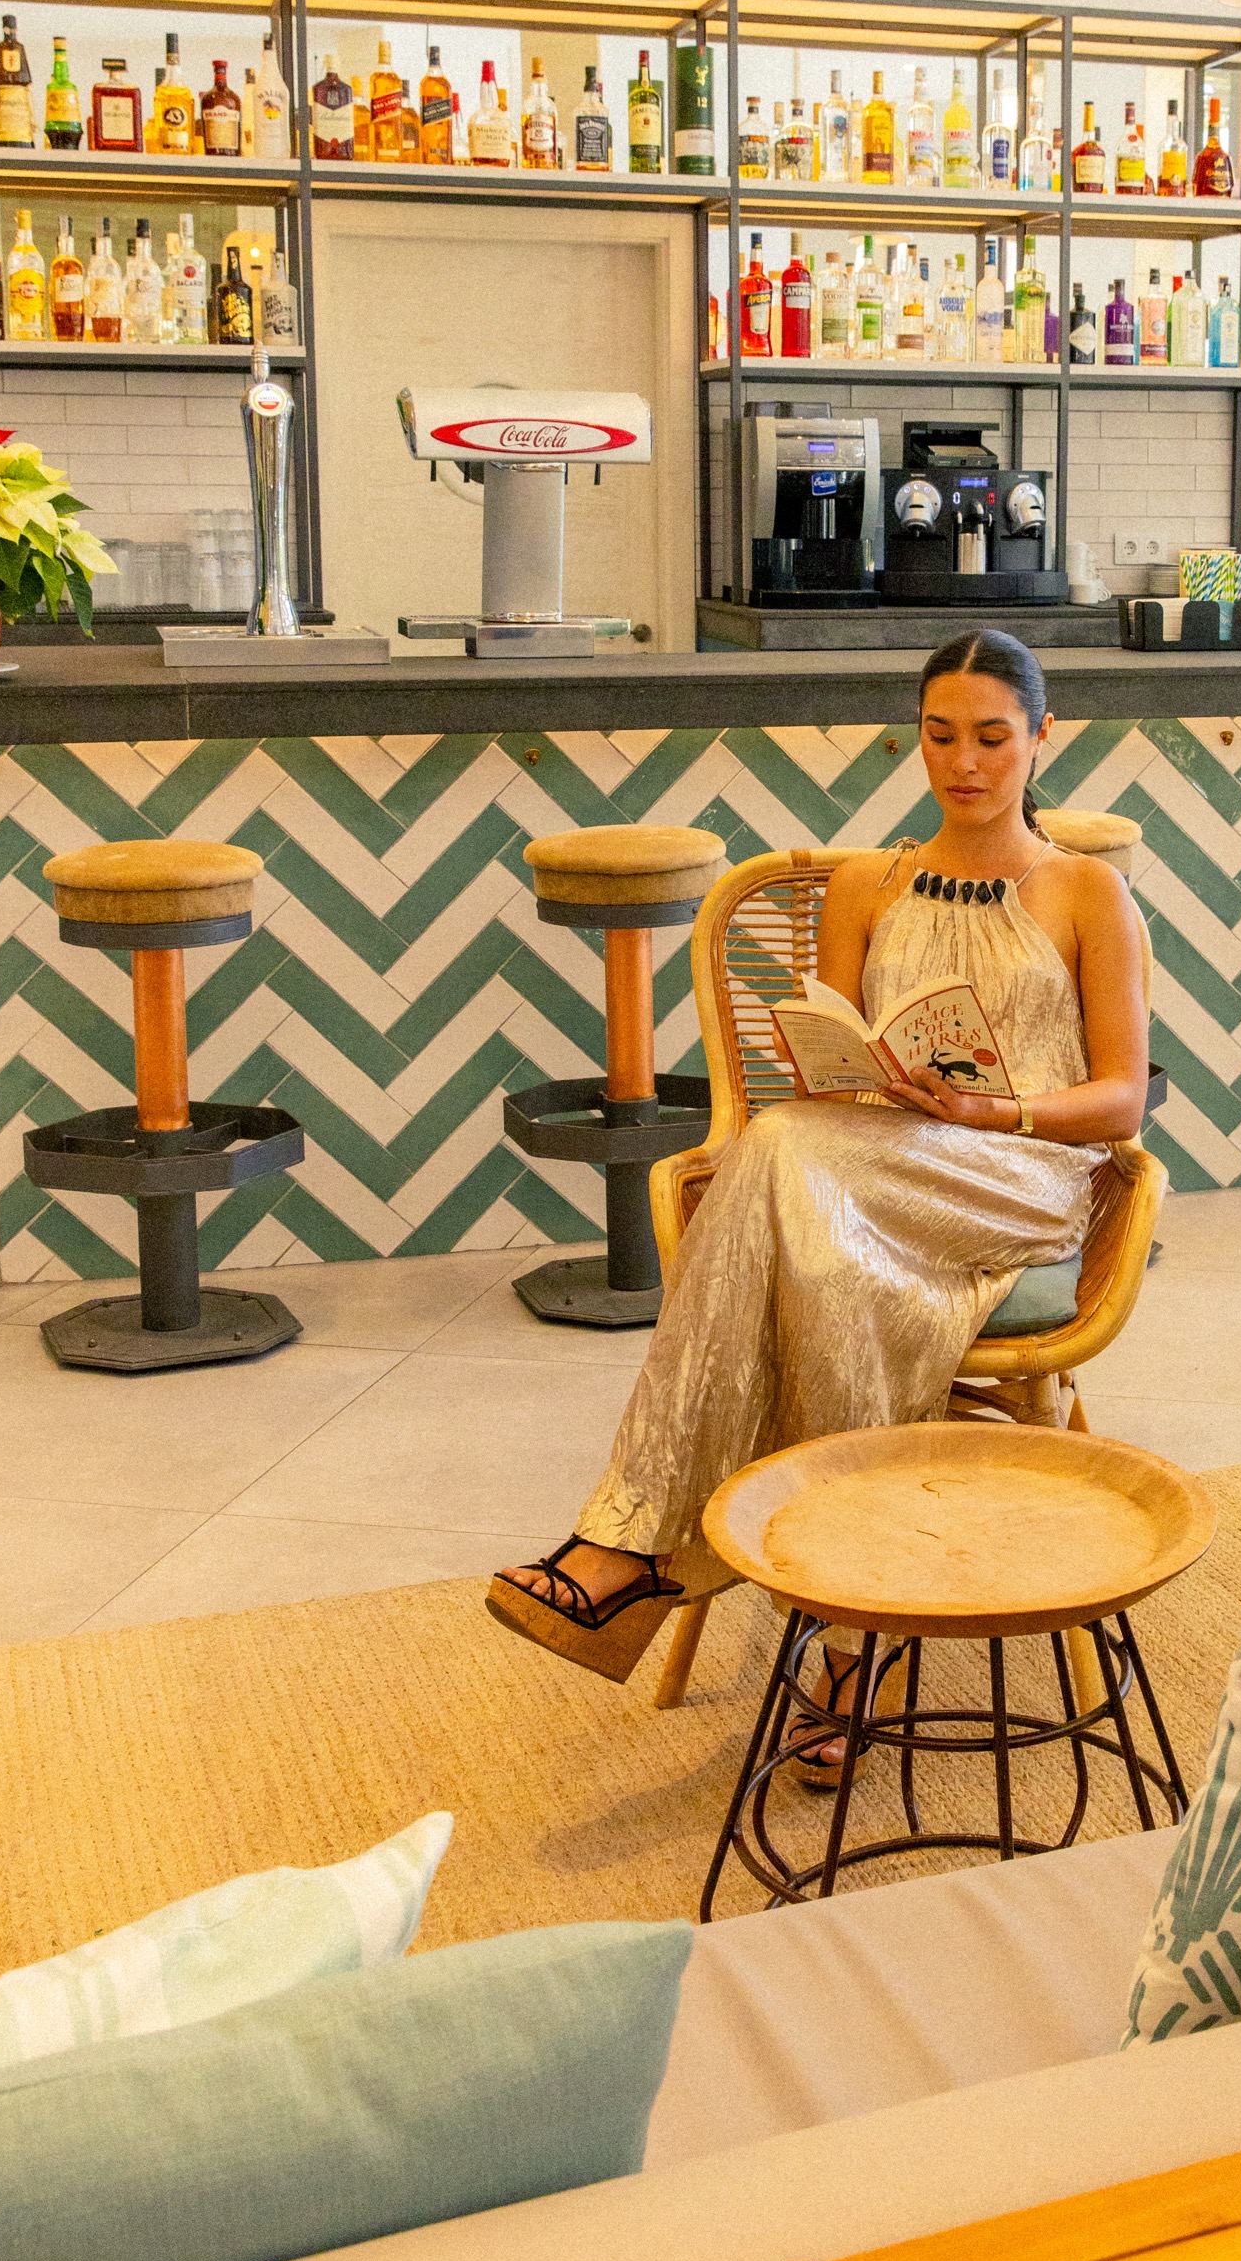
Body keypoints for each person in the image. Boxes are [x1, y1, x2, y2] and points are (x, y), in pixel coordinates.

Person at [487, 627, 1150, 1743]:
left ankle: (631, 1544)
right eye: (940, 735)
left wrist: (996, 1111)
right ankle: (857, 1640)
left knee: (780, 1149)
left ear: (1044, 737)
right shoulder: (863, 885)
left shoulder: (1087, 891)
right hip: (872, 1165)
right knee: (819, 1227)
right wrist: (864, 1072)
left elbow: (1123, 1101)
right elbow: (822, 1066)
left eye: (993, 738)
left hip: (1019, 1172)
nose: (964, 763)